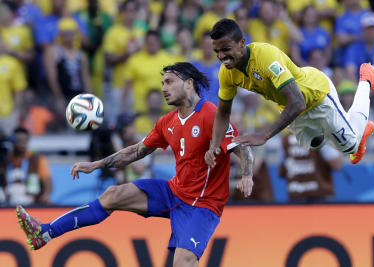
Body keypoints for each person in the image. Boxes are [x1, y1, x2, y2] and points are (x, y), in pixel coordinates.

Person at [16, 62, 254, 267]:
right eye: (162, 83)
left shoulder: (210, 114)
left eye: (169, 82)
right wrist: (96, 165)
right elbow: (137, 151)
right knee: (113, 194)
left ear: (189, 83)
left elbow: (242, 148)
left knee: (182, 262)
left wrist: (246, 175)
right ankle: (44, 233)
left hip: (202, 204)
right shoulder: (166, 122)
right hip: (174, 192)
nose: (163, 89)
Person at [205, 18, 374, 168]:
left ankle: (367, 79)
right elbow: (223, 112)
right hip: (290, 107)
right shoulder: (227, 73)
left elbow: (297, 102)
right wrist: (214, 146)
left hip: (315, 94)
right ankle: (357, 128)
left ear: (242, 42)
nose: (221, 56)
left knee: (351, 147)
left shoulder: (265, 57)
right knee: (315, 143)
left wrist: (263, 135)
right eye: (217, 51)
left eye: (226, 49)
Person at [278, 133, 342, 203]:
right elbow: (336, 165)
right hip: (321, 195)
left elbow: (281, 171)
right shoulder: (321, 135)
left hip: (296, 195)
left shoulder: (285, 139)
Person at [2, 127, 52, 206]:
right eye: (19, 140)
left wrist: (45, 196)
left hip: (32, 203)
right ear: (12, 141)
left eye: (25, 140)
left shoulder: (37, 159)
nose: (22, 143)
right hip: (9, 203)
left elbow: (48, 183)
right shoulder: (5, 160)